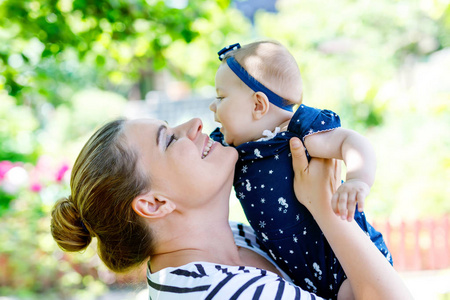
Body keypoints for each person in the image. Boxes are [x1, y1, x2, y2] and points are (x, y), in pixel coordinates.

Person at [50, 117, 412, 299]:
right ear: (154, 203)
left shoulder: (237, 240)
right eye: (169, 139)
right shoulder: (218, 294)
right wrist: (328, 211)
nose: (193, 124)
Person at [209, 41, 392, 299]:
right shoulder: (232, 148)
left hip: (343, 264)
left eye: (220, 97)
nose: (212, 107)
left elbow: (350, 140)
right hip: (299, 273)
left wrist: (357, 179)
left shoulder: (295, 136)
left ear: (258, 105)